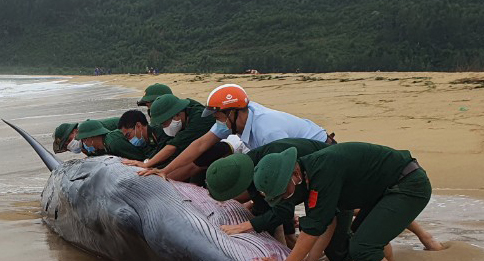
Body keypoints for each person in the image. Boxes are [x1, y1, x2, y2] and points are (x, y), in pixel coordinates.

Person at [251, 143, 433, 261]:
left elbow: (313, 229)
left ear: (295, 174)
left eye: (285, 193)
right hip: (384, 190)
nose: (286, 199)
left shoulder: (322, 173)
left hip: (408, 185)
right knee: (361, 239)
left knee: (363, 247)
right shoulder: (310, 176)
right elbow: (328, 223)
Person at [141, 83, 332, 179]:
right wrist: (163, 171)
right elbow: (199, 145)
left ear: (232, 113)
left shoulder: (267, 129)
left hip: (321, 152)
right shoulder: (231, 119)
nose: (217, 123)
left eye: (217, 117)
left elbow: (285, 171)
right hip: (291, 154)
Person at [123, 93, 231, 173]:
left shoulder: (200, 119)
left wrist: (149, 165)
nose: (164, 127)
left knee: (200, 158)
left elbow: (176, 146)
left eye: (165, 123)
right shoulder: (185, 112)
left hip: (227, 147)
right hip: (209, 144)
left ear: (177, 115)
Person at [75, 118, 148, 160]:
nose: (84, 143)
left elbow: (140, 158)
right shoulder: (105, 145)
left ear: (91, 138)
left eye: (84, 140)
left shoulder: (114, 143)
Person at [52, 117, 121, 154]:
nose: (70, 145)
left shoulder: (93, 129)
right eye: (66, 146)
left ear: (75, 131)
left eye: (69, 140)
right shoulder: (84, 147)